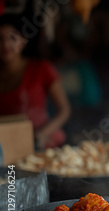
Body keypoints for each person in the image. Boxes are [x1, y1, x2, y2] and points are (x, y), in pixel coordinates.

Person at [0, 14, 71, 149]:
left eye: (12, 38)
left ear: (23, 40)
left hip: (44, 146)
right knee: (11, 171)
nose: (5, 45)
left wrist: (42, 134)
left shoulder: (42, 69)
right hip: (8, 149)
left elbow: (64, 110)